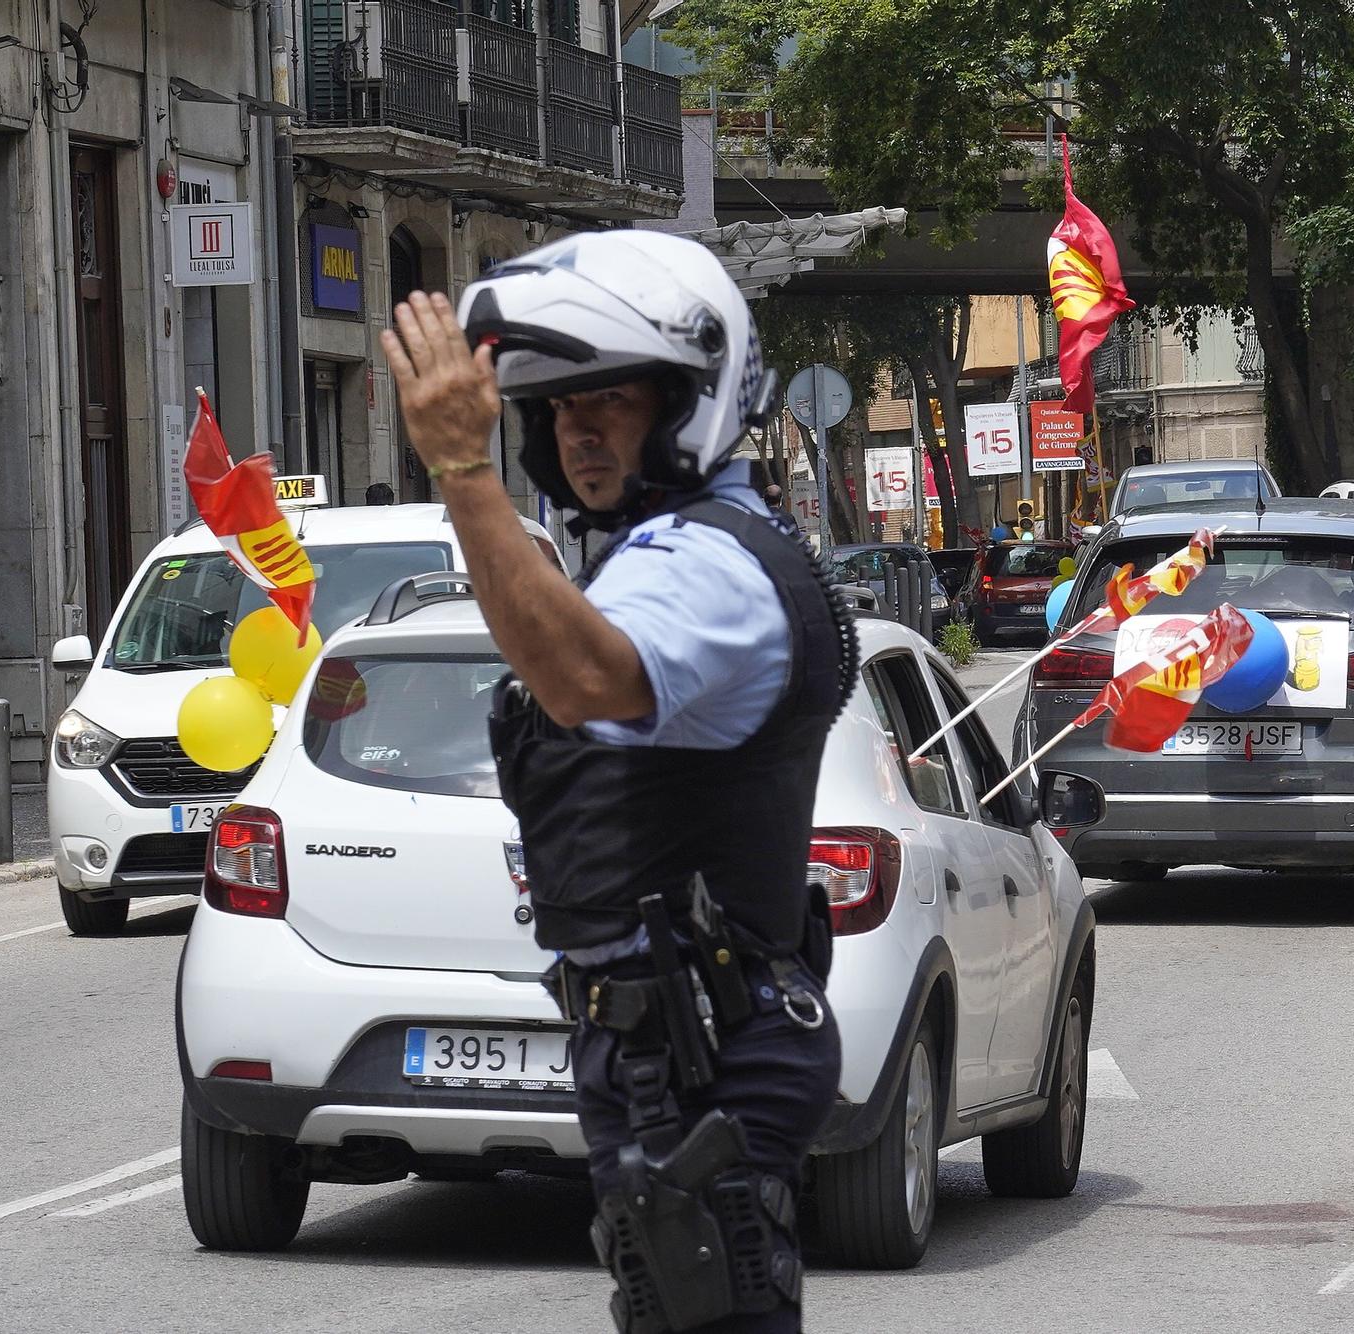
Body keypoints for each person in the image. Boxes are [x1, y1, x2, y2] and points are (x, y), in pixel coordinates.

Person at [380, 231, 853, 1333]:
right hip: (662, 1038)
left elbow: (585, 678)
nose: (573, 429)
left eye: (607, 397)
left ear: (686, 397)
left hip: (701, 1044)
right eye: (551, 408)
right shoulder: (669, 551)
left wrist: (460, 468)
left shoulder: (706, 564)